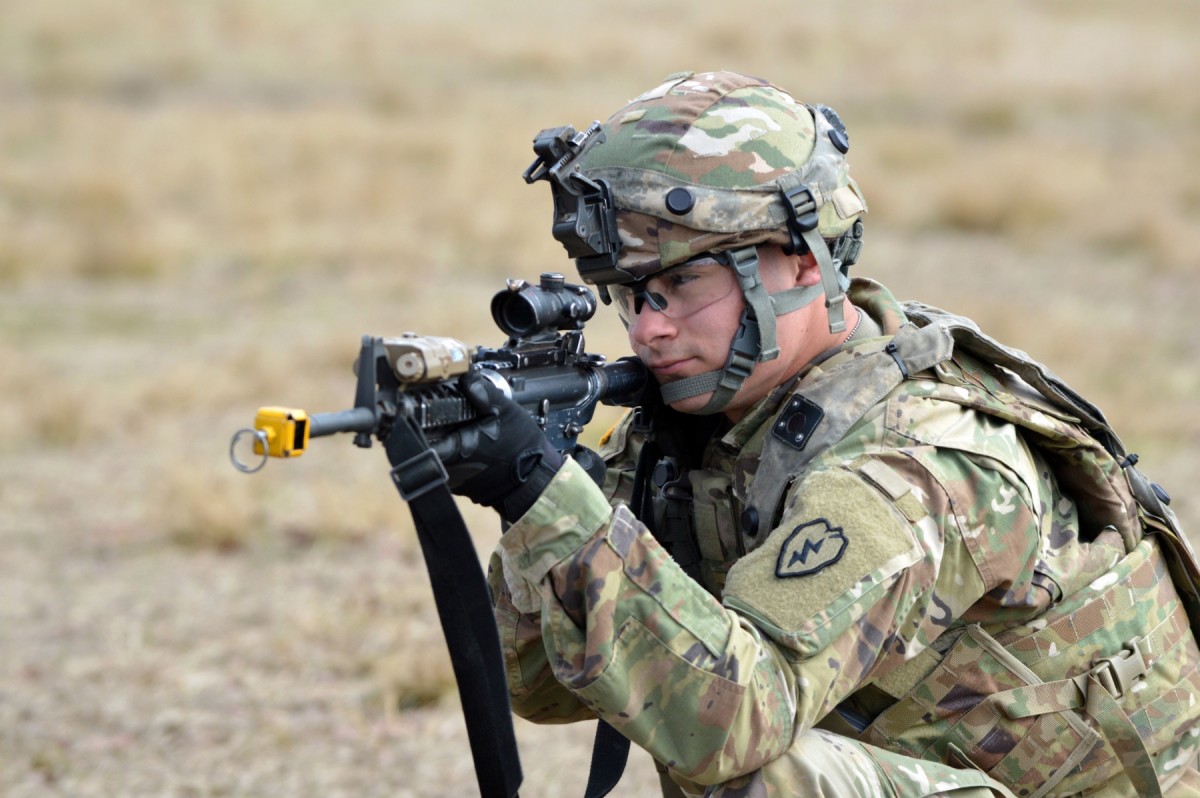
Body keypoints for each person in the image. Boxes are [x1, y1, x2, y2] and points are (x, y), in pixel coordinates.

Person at [386, 71, 1200, 797]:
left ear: (805, 262)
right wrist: (538, 504)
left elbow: (724, 722)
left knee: (762, 776)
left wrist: (544, 493)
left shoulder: (910, 463)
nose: (649, 329)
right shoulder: (712, 424)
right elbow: (544, 686)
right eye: (629, 296)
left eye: (681, 282)